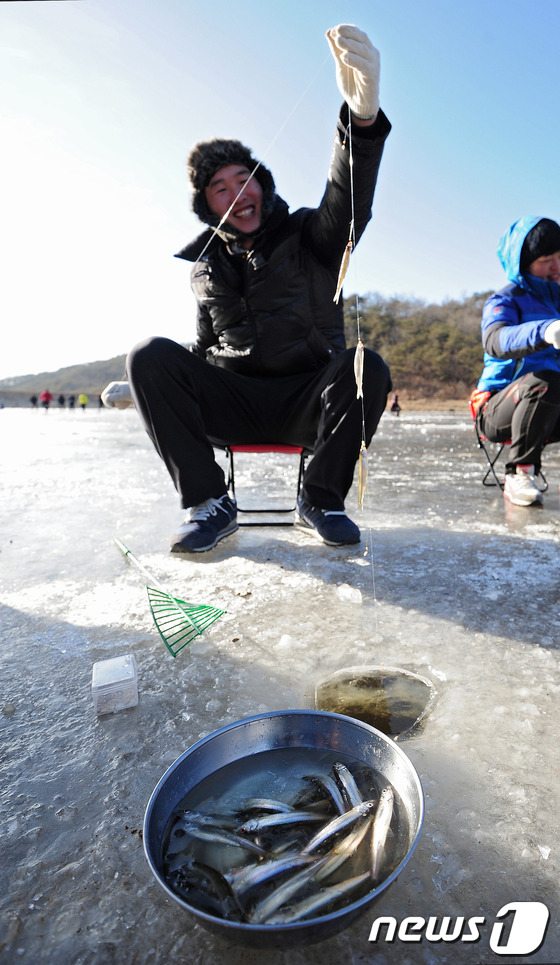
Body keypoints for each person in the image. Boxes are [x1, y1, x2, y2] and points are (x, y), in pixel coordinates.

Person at [103, 24, 392, 552]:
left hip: (307, 396)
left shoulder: (312, 234)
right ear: (208, 207)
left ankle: (322, 498)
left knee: (365, 364)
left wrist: (362, 122)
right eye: (221, 187)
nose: (237, 192)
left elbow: (349, 202)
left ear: (262, 184)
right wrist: (141, 386)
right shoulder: (203, 268)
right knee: (147, 353)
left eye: (244, 178)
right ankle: (209, 503)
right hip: (233, 399)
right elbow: (201, 349)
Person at [471, 216, 560, 506]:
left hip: (551, 408)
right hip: (499, 409)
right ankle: (519, 472)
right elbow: (496, 341)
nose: (556, 267)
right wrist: (545, 330)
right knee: (544, 380)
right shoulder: (505, 300)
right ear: (524, 263)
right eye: (547, 259)